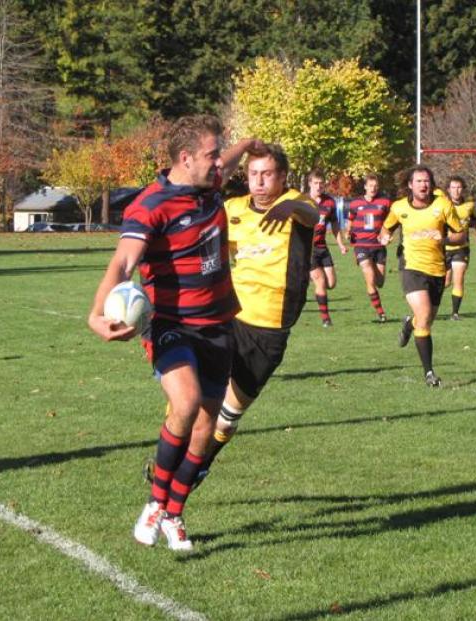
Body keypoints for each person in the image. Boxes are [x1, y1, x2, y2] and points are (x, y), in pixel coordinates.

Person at [87, 114, 256, 551]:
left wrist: (249, 144)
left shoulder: (210, 184)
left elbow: (231, 161)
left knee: (205, 425)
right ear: (185, 158)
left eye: (220, 152)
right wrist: (95, 313)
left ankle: (174, 512)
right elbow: (123, 263)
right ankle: (155, 505)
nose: (221, 161)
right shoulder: (151, 205)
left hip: (219, 323)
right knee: (183, 403)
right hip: (172, 325)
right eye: (212, 154)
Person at [191, 143, 319, 482]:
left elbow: (313, 216)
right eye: (253, 174)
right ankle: (176, 461)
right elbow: (214, 252)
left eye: (267, 174)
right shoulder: (233, 209)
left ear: (282, 177)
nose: (259, 181)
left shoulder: (298, 205)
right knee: (196, 396)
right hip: (229, 317)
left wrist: (289, 205)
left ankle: (203, 463)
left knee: (229, 415)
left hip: (270, 328)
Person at [380, 165, 465, 387]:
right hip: (411, 267)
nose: (423, 185)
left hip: (437, 269)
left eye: (426, 181)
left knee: (425, 320)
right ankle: (429, 374)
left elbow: (460, 235)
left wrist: (444, 239)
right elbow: (386, 228)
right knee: (425, 315)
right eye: (418, 181)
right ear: (410, 184)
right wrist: (384, 237)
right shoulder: (399, 208)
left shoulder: (442, 205)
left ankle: (409, 323)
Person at [347, 173, 391, 322]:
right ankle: (381, 313)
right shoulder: (355, 203)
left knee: (380, 282)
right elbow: (350, 220)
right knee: (370, 279)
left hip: (378, 246)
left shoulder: (384, 202)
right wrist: (348, 232)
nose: (373, 188)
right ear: (365, 186)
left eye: (376, 186)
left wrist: (387, 235)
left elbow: (390, 222)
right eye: (370, 185)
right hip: (361, 246)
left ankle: (371, 265)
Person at [307, 169, 347, 327]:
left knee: (331, 283)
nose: (318, 186)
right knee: (321, 282)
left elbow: (335, 225)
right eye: (315, 183)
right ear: (310, 183)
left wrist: (341, 245)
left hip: (323, 249)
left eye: (321, 183)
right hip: (308, 250)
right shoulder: (302, 201)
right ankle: (326, 319)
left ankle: (308, 277)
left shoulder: (329, 202)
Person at [443, 176, 476, 320]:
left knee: (458, 280)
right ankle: (428, 303)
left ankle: (455, 313)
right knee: (445, 282)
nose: (456, 190)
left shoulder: (469, 206)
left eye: (459, 187)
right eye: (453, 187)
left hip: (461, 248)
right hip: (444, 248)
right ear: (448, 190)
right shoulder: (443, 205)